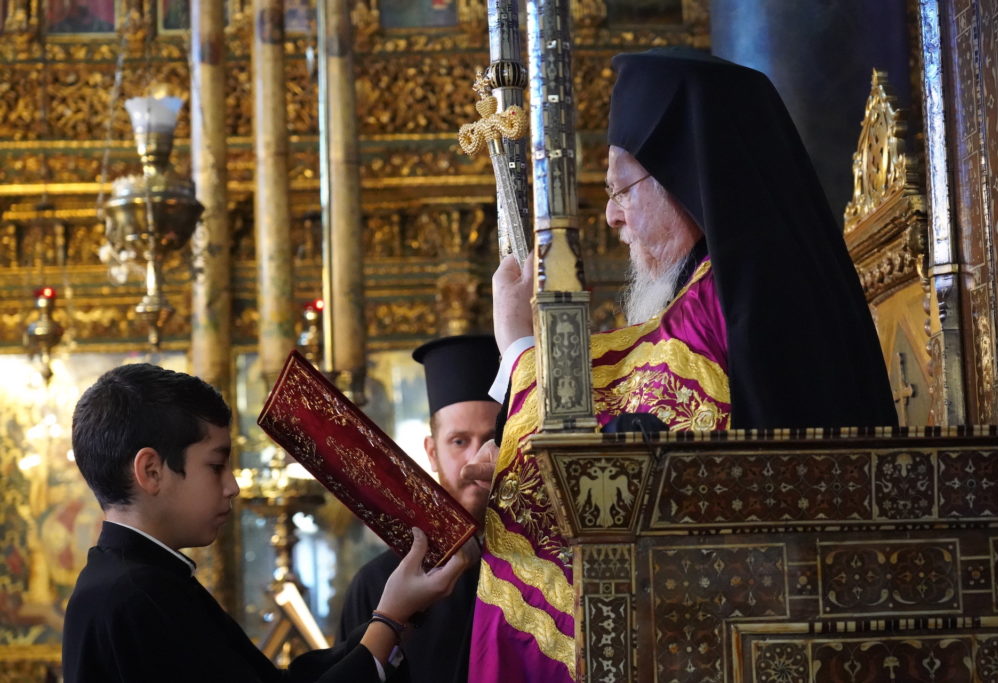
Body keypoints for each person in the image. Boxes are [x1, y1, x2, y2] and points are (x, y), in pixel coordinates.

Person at [464, 48, 899, 682]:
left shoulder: (737, 296)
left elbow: (619, 454)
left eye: (621, 189)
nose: (612, 215)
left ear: (688, 175)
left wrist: (521, 350)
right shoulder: (736, 286)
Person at [63, 363, 469, 683]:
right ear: (151, 471)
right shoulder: (137, 595)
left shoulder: (135, 579)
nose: (232, 487)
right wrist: (391, 620)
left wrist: (393, 618)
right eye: (216, 465)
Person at [338, 336, 501, 683]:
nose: (476, 459)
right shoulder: (376, 583)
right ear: (431, 452)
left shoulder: (547, 571)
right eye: (459, 441)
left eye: (492, 440)